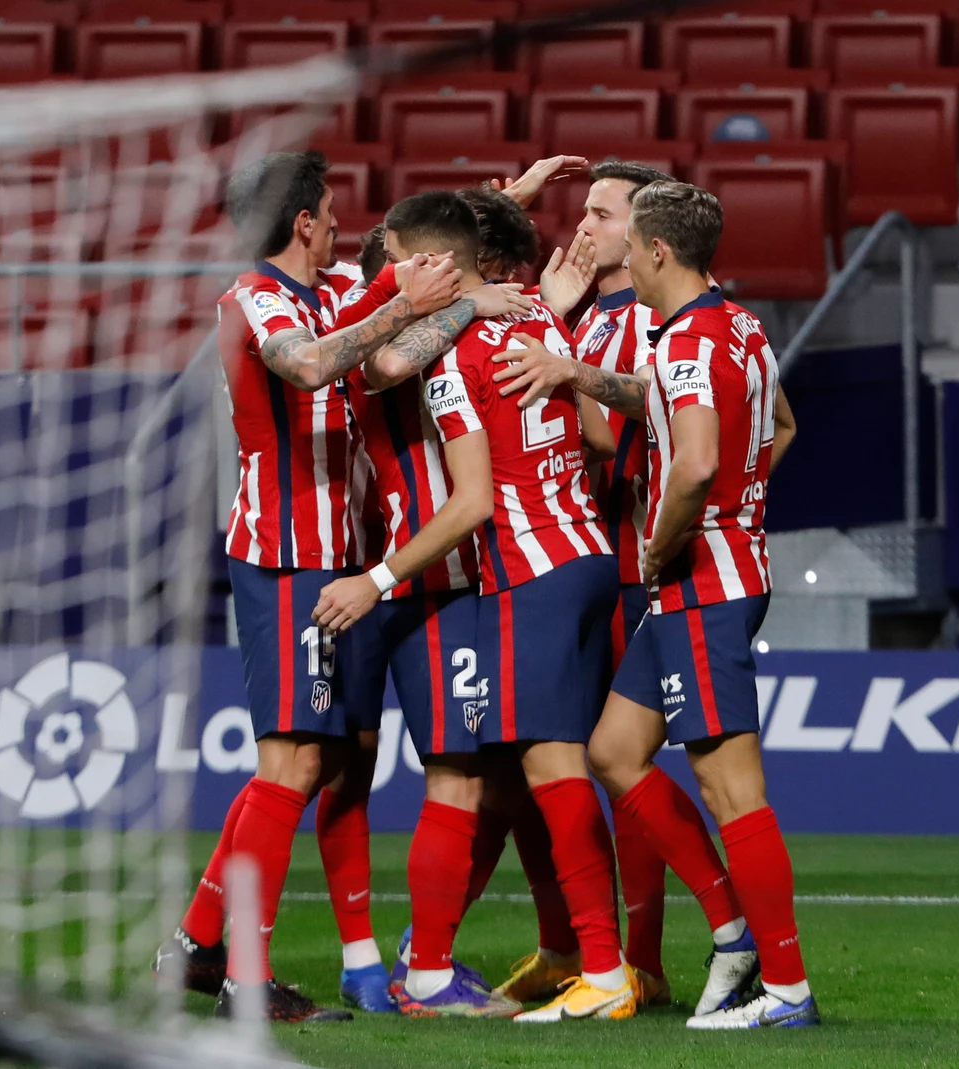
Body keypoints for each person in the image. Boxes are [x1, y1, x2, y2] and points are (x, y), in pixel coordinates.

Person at [152, 149, 502, 1023]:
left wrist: (474, 249)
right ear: (303, 219)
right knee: (296, 759)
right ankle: (241, 974)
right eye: (331, 209)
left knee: (317, 758)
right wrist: (405, 306)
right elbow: (308, 368)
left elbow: (399, 274)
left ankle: (196, 946)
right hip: (282, 556)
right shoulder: (256, 299)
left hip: (330, 556)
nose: (344, 220)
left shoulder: (331, 289)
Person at [316, 190, 636, 1024]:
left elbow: (473, 498)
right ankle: (469, 959)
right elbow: (381, 361)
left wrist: (478, 288)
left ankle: (489, 962)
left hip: (480, 575)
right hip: (439, 581)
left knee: (489, 775)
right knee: (475, 775)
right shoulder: (446, 329)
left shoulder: (467, 341)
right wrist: (484, 293)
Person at [515, 181, 812, 1029]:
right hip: (711, 573)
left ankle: (785, 988)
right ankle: (731, 934)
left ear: (656, 252)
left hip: (699, 583)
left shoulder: (684, 345)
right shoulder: (738, 326)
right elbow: (780, 425)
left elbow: (692, 461)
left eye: (628, 241)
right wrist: (576, 369)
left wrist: (670, 535)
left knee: (733, 790)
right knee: (614, 749)